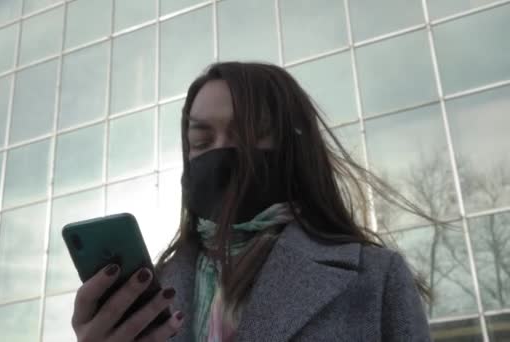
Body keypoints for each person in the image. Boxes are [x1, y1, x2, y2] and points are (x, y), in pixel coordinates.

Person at [71, 62, 432, 341]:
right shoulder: (152, 294)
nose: (223, 152)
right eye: (201, 141)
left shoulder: (376, 277)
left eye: (246, 134)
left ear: (293, 149)